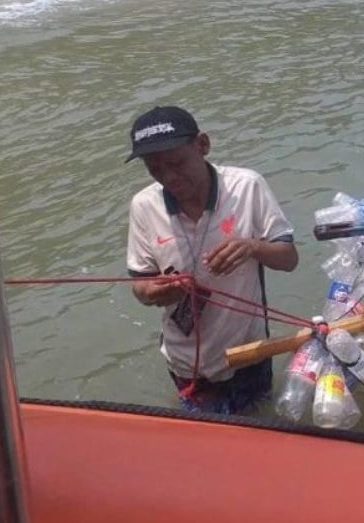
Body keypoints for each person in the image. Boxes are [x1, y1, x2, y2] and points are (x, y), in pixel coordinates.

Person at [125, 106, 298, 414]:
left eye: (177, 163)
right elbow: (140, 284)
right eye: (155, 169)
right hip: (184, 364)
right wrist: (157, 292)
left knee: (259, 432)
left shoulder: (247, 187)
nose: (169, 177)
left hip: (248, 355)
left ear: (202, 145)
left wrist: (251, 247)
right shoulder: (144, 206)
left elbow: (289, 259)